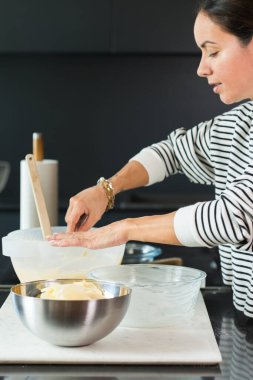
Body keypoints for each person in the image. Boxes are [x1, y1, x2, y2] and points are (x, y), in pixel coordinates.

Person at [48, 0, 253, 318]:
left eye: (212, 51)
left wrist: (123, 229)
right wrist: (107, 190)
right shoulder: (241, 122)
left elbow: (234, 216)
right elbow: (171, 152)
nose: (201, 68)